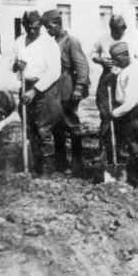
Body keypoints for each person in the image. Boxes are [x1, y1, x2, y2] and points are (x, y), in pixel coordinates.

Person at [12, 10, 62, 175]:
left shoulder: (49, 43)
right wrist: (16, 65)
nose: (33, 31)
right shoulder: (19, 41)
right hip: (25, 86)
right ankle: (35, 167)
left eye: (36, 28)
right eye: (29, 28)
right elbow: (11, 62)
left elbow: (54, 72)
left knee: (43, 129)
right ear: (24, 26)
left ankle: (47, 170)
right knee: (30, 128)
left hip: (44, 89)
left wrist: (35, 90)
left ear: (40, 26)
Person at [41, 9, 90, 172]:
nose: (47, 31)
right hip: (54, 88)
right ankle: (61, 163)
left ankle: (77, 162)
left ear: (57, 25)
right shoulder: (52, 42)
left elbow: (82, 66)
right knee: (56, 125)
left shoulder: (71, 41)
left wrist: (78, 88)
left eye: (49, 27)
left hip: (67, 87)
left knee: (71, 123)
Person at [91, 14, 132, 164]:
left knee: (123, 114)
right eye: (113, 31)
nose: (116, 34)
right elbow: (93, 53)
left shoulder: (131, 40)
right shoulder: (103, 38)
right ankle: (103, 150)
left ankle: (122, 148)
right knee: (105, 114)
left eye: (118, 31)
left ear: (124, 28)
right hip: (107, 78)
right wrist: (100, 60)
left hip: (125, 78)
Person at [110, 41, 138, 185]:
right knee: (125, 142)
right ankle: (128, 176)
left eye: (117, 59)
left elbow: (130, 101)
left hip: (135, 111)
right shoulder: (125, 68)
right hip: (127, 111)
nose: (115, 62)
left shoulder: (135, 72)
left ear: (126, 55)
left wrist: (114, 113)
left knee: (136, 144)